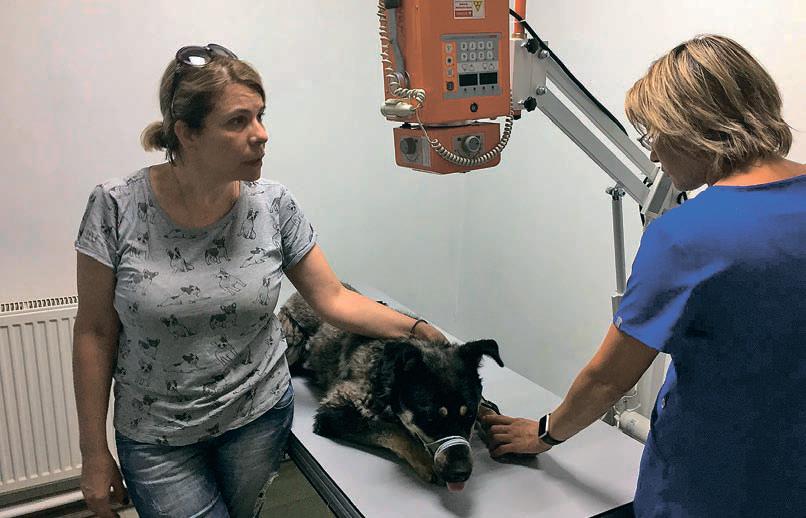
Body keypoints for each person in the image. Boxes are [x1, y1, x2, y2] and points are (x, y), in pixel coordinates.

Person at [72, 43, 446, 518]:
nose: (261, 134)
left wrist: (419, 331)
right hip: (157, 438)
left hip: (256, 420)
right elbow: (94, 333)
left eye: (260, 116)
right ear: (186, 133)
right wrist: (93, 452)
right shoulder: (115, 207)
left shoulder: (273, 205)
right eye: (237, 121)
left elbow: (332, 298)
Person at [481, 34, 805, 516]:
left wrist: (544, 433)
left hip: (714, 488)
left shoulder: (687, 236)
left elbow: (607, 379)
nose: (653, 156)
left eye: (654, 134)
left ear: (690, 127)